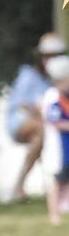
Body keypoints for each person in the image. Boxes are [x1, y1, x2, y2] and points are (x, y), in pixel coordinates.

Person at [7, 32, 66, 201]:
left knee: (45, 137)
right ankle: (20, 184)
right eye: (48, 56)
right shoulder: (28, 75)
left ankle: (56, 187)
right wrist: (43, 111)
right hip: (20, 121)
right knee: (43, 131)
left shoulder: (56, 80)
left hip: (43, 123)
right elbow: (22, 104)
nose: (51, 59)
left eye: (56, 55)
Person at [42, 55, 69, 225]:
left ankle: (63, 207)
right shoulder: (52, 96)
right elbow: (54, 120)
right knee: (56, 179)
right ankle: (53, 213)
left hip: (65, 145)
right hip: (57, 147)